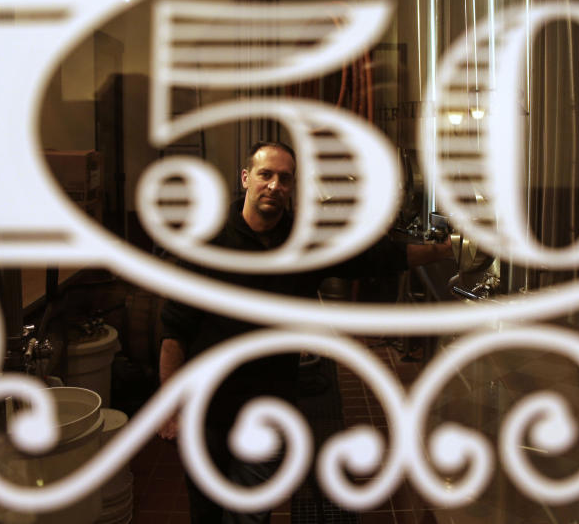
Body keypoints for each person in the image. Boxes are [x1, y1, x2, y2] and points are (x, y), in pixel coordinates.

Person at [158, 140, 451, 523]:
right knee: (207, 510)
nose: (274, 185)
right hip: (208, 407)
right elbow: (173, 333)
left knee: (251, 512)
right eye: (265, 174)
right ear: (246, 178)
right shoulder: (209, 243)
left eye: (284, 178)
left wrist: (435, 252)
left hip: (270, 407)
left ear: (292, 187)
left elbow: (371, 258)